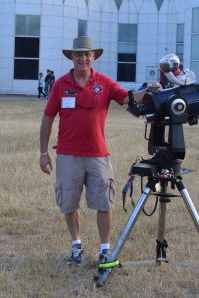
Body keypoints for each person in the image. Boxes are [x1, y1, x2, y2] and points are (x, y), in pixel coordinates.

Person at [39, 36, 147, 268]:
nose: (83, 58)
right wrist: (43, 152)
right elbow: (48, 117)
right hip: (68, 155)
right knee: (68, 202)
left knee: (104, 203)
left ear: (94, 57)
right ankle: (76, 246)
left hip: (98, 155)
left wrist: (148, 91)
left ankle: (105, 250)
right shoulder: (60, 84)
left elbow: (127, 98)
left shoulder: (105, 82)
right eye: (78, 54)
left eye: (87, 54)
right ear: (72, 57)